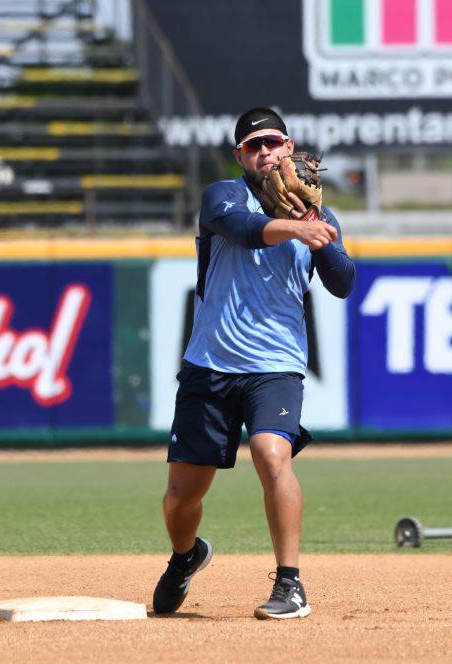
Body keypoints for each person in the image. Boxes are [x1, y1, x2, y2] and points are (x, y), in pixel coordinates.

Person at [152, 107, 355, 620]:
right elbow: (240, 229)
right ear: (240, 156)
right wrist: (294, 227)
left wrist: (314, 226)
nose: (264, 152)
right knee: (181, 498)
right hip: (210, 365)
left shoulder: (316, 214)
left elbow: (343, 281)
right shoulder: (222, 196)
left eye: (273, 143)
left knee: (271, 455)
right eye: (252, 146)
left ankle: (290, 584)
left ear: (290, 147)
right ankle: (186, 557)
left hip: (277, 366)